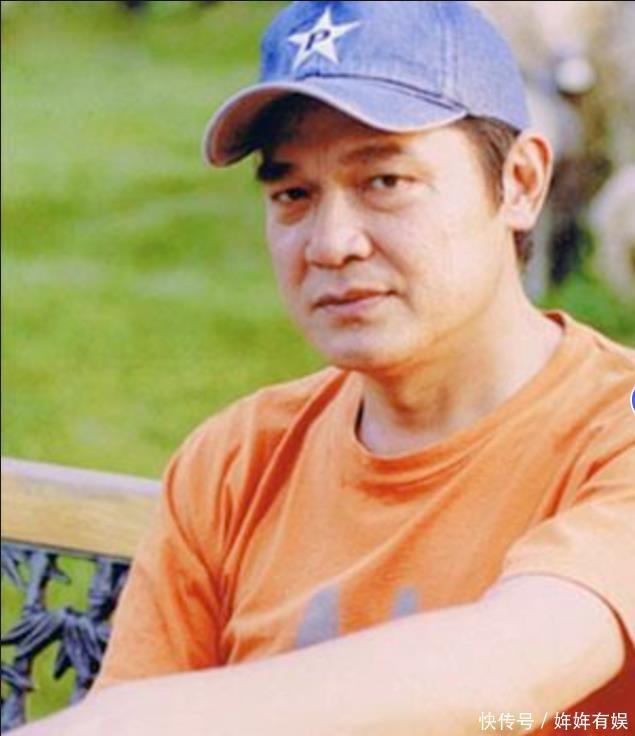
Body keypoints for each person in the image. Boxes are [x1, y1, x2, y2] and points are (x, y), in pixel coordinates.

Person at [15, 2, 634, 734]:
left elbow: (507, 678)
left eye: (384, 181)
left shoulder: (612, 432)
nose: (331, 243)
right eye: (292, 195)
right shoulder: (236, 461)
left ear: (520, 182)